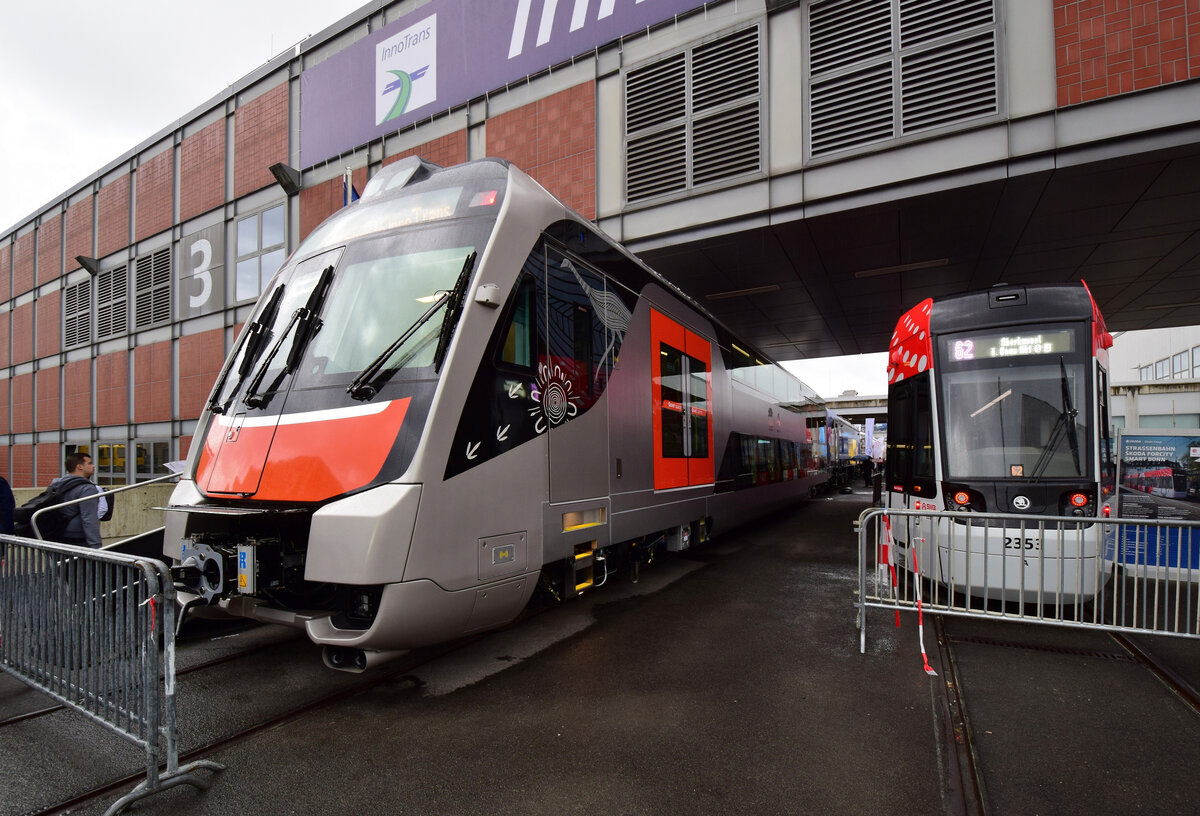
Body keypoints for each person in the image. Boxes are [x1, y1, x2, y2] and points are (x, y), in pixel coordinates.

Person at [51, 453, 103, 548]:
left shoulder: (57, 483)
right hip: (77, 538)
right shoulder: (87, 489)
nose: (93, 466)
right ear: (79, 466)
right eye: (89, 463)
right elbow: (89, 518)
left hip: (56, 534)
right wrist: (96, 545)